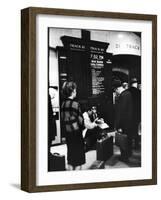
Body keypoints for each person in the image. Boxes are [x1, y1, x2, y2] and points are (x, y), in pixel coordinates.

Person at [61, 81, 85, 170]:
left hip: (68, 134)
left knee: (71, 158)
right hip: (76, 134)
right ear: (73, 91)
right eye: (75, 89)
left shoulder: (63, 104)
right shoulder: (75, 104)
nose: (76, 91)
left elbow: (64, 119)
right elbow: (81, 121)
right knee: (78, 160)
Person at [113, 80, 133, 161]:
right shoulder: (128, 93)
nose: (116, 93)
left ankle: (124, 157)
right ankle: (128, 154)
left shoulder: (123, 96)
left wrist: (118, 126)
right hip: (129, 122)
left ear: (117, 88)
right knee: (127, 140)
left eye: (115, 90)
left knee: (123, 141)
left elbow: (121, 113)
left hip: (123, 123)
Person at [128, 78, 141, 149]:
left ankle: (129, 144)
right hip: (137, 114)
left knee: (129, 129)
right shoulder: (139, 92)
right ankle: (136, 144)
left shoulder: (127, 92)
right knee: (136, 129)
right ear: (136, 84)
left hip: (129, 114)